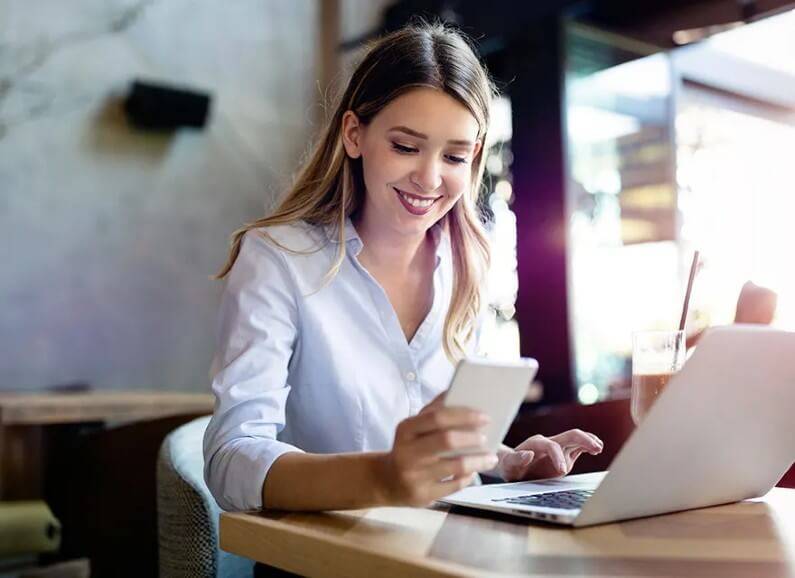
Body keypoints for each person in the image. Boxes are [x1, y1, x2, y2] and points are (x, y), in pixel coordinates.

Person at [203, 21, 603, 514]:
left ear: (474, 156)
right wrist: (382, 477)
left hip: (450, 545)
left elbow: (439, 445)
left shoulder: (466, 267)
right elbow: (231, 458)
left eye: (454, 155)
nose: (429, 177)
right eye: (405, 147)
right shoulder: (279, 259)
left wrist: (509, 462)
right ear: (355, 134)